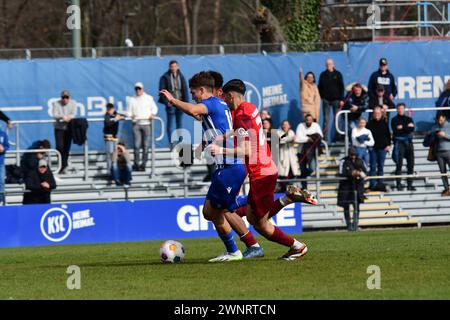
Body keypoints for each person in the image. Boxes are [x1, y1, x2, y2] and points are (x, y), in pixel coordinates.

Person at [209, 79, 318, 261]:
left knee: (260, 225)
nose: (225, 103)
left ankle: (297, 246)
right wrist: (223, 136)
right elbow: (242, 131)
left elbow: (245, 150)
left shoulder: (240, 116)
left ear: (230, 96)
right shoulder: (250, 108)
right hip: (266, 170)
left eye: (225, 98)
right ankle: (287, 199)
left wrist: (220, 149)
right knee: (250, 216)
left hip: (261, 174)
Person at [160, 72, 262, 261]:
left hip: (231, 166)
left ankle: (238, 247)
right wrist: (201, 145)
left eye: (193, 93)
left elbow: (193, 110)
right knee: (216, 210)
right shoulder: (219, 106)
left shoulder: (212, 103)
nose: (192, 96)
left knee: (215, 210)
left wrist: (173, 101)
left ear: (202, 90)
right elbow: (209, 124)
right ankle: (249, 244)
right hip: (228, 167)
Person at [127, 82, 158, 172]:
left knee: (145, 145)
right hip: (136, 124)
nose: (138, 90)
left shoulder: (148, 98)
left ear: (142, 89)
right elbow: (128, 112)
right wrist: (131, 115)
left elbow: (154, 108)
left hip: (146, 124)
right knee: (136, 145)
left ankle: (143, 164)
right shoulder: (131, 99)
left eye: (139, 89)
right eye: (136, 89)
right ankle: (136, 164)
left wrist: (153, 114)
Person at [158, 60, 189, 149]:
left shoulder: (181, 76)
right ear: (169, 67)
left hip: (179, 103)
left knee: (179, 123)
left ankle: (180, 142)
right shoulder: (165, 77)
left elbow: (185, 90)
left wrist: (185, 103)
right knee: (170, 125)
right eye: (172, 66)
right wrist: (167, 102)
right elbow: (162, 91)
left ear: (178, 67)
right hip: (170, 104)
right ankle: (171, 143)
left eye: (175, 66)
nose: (173, 68)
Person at [338, 147, 367, 231]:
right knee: (346, 206)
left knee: (356, 207)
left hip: (357, 187)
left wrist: (360, 173)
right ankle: (349, 225)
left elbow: (365, 171)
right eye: (351, 155)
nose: (353, 156)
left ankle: (355, 225)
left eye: (354, 155)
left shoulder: (360, 161)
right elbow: (341, 173)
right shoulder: (343, 161)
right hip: (346, 188)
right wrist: (351, 173)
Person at [318, 58, 345, 143]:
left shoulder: (338, 74)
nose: (328, 65)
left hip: (336, 100)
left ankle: (337, 138)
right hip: (326, 100)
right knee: (326, 120)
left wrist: (341, 99)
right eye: (327, 64)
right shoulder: (323, 75)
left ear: (333, 64)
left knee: (337, 119)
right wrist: (322, 97)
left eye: (330, 64)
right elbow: (319, 87)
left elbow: (341, 87)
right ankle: (325, 139)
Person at [51, 90, 77, 174]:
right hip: (59, 128)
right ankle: (61, 164)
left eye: (67, 97)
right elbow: (54, 115)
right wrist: (63, 117)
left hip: (68, 128)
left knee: (66, 148)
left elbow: (74, 114)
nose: (65, 99)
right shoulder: (56, 103)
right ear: (61, 98)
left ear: (69, 98)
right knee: (59, 147)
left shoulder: (73, 103)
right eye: (63, 97)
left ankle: (64, 166)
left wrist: (69, 117)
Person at [391, 103, 415, 191]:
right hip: (399, 143)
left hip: (408, 143)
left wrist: (402, 127)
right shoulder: (394, 119)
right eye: (399, 108)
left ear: (404, 109)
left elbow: (412, 129)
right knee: (399, 164)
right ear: (397, 110)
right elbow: (396, 131)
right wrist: (406, 127)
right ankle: (398, 184)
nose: (400, 110)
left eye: (402, 108)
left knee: (411, 164)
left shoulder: (409, 118)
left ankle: (410, 184)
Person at [295, 114, 323, 190]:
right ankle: (304, 186)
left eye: (310, 120)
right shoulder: (300, 126)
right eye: (307, 120)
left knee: (312, 168)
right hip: (301, 151)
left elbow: (320, 136)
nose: (308, 121)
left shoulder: (316, 125)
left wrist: (307, 137)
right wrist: (308, 139)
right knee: (302, 169)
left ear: (312, 120)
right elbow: (297, 139)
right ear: (305, 120)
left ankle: (302, 177)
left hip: (312, 151)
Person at [366, 106, 391, 191]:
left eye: (379, 113)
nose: (377, 115)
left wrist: (388, 145)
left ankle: (380, 185)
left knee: (381, 167)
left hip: (382, 149)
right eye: (375, 113)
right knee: (372, 167)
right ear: (373, 114)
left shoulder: (384, 123)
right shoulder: (369, 124)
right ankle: (372, 185)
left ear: (381, 114)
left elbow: (388, 135)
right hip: (372, 149)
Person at [425, 112, 450, 196]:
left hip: (448, 151)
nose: (440, 122)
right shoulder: (434, 127)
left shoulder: (449, 125)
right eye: (438, 120)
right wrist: (430, 135)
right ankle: (447, 189)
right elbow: (427, 141)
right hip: (439, 152)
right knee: (443, 173)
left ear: (444, 118)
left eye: (441, 120)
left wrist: (444, 135)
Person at [277, 120, 300, 192]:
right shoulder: (278, 132)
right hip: (283, 158)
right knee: (283, 177)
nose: (285, 126)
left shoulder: (291, 132)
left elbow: (293, 138)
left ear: (289, 126)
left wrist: (291, 138)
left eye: (286, 125)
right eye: (283, 124)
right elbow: (282, 138)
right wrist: (290, 138)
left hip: (291, 158)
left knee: (292, 176)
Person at [103, 103, 126, 174]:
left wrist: (120, 117)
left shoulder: (116, 114)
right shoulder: (106, 115)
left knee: (115, 154)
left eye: (110, 109)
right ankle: (109, 170)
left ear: (113, 109)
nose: (108, 110)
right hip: (108, 136)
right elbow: (107, 123)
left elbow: (124, 116)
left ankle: (114, 169)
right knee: (109, 153)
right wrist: (116, 119)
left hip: (115, 136)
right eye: (107, 109)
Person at [0, 128, 9, 205]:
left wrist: (3, 149)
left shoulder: (3, 134)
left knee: (2, 182)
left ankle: (1, 200)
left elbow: (7, 146)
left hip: (1, 163)